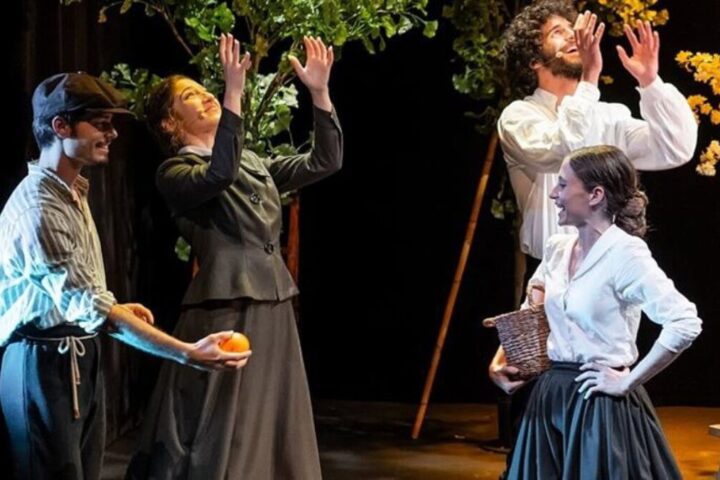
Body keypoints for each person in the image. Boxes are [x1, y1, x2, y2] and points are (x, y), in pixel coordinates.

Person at [0, 72, 251, 480]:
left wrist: (113, 306)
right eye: (100, 124)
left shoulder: (72, 191)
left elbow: (78, 294)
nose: (112, 134)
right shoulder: (39, 210)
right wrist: (187, 353)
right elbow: (94, 308)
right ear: (61, 126)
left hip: (78, 354)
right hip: (42, 364)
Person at [488, 0, 698, 463]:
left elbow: (674, 148)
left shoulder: (606, 114)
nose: (571, 35)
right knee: (541, 435)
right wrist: (588, 82)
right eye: (556, 32)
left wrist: (650, 82)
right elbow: (564, 148)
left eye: (572, 27)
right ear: (533, 59)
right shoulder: (520, 117)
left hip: (604, 275)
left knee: (600, 436)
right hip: (550, 278)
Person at [125, 33, 343, 479]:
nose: (205, 96)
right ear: (170, 124)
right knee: (221, 422)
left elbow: (325, 161)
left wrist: (320, 94)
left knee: (272, 414)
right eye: (190, 96)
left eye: (204, 90)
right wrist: (234, 94)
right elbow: (218, 174)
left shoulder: (252, 162)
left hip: (273, 299)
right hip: (225, 305)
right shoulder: (174, 172)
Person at [506, 144, 701, 479]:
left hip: (596, 403)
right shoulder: (558, 248)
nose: (553, 194)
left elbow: (684, 322)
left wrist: (628, 381)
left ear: (595, 195)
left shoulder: (624, 253)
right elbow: (532, 310)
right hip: (550, 398)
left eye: (563, 184)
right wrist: (502, 360)